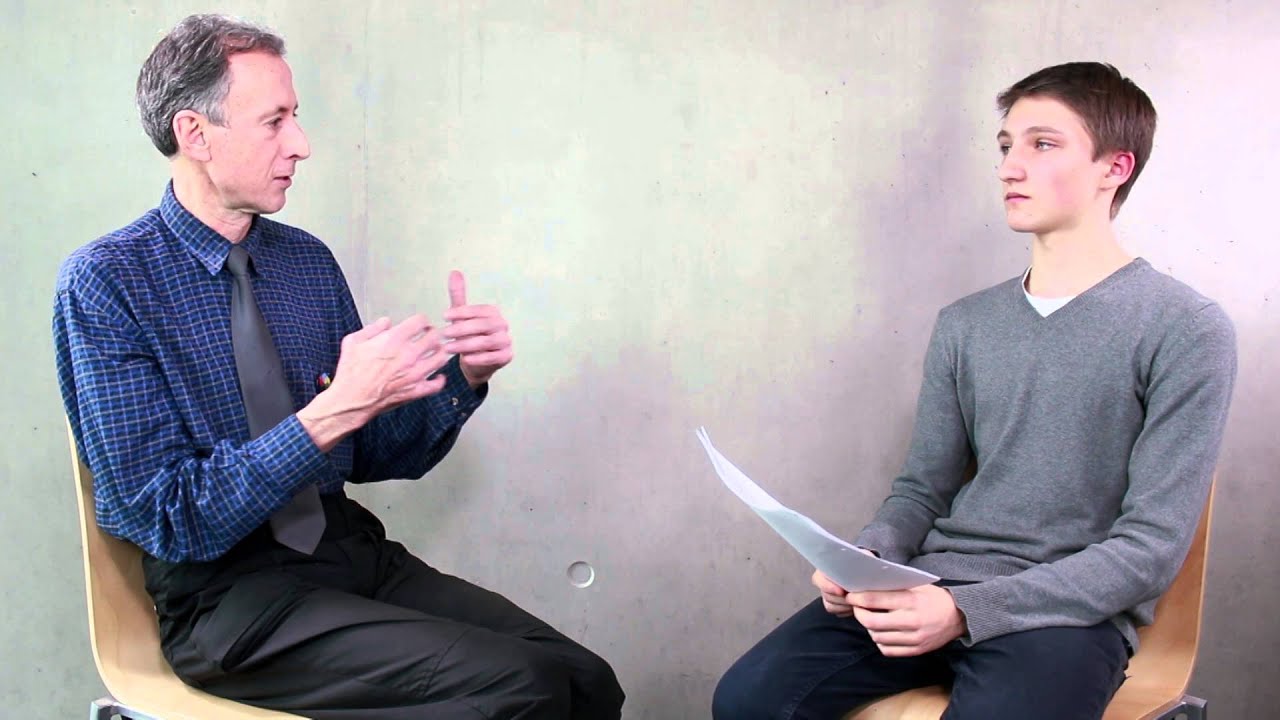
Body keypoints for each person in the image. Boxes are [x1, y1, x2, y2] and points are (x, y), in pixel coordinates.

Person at [53, 14, 623, 720]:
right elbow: (169, 517)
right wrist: (330, 412)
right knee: (523, 685)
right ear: (194, 134)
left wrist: (463, 378)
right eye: (275, 122)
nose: (301, 143)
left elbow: (372, 452)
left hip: (348, 555)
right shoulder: (107, 282)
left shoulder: (306, 263)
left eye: (296, 117)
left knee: (585, 678)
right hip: (229, 597)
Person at [712, 61, 1237, 720]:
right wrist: (868, 557)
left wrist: (966, 610)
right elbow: (921, 489)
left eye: (1042, 144)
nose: (1010, 167)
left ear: (1115, 167)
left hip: (1065, 617)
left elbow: (1149, 551)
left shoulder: (1186, 328)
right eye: (1007, 146)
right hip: (928, 588)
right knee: (746, 701)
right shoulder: (965, 324)